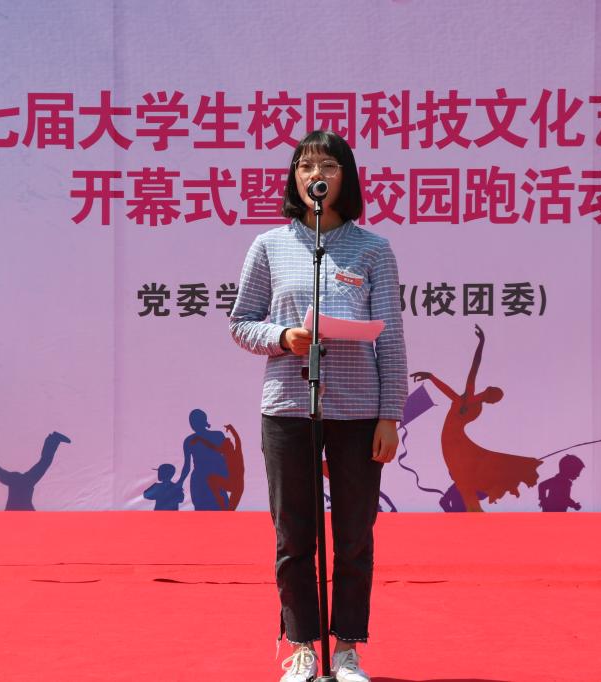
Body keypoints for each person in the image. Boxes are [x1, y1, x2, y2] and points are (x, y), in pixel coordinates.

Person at [229, 130, 407, 682]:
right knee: (293, 535)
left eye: (327, 165)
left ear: (344, 177)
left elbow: (391, 339)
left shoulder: (372, 248)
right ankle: (303, 647)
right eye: (305, 166)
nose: (315, 175)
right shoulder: (269, 246)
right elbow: (241, 323)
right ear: (295, 179)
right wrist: (283, 337)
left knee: (354, 535)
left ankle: (347, 650)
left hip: (358, 410)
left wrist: (390, 415)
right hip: (288, 405)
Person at [410, 324, 542, 512]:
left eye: (493, 395)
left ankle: (474, 511)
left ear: (489, 396)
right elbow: (466, 375)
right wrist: (432, 377)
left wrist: (481, 343)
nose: (491, 394)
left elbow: (472, 370)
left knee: (466, 478)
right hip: (453, 442)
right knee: (467, 478)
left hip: (453, 442)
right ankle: (474, 510)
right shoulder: (471, 401)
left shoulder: (471, 400)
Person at [0, 431, 70, 511]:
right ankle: (53, 439)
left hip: (22, 484)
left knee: (43, 463)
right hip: (22, 484)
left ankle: (53, 439)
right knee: (43, 463)